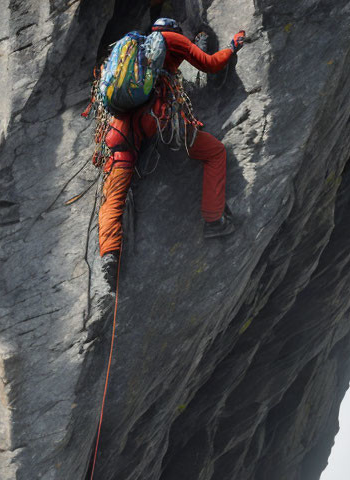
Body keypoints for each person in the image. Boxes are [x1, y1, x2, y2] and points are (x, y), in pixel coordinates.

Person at [97, 18, 246, 288]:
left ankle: (109, 252)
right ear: (174, 31)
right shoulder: (172, 39)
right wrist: (232, 47)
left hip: (119, 126)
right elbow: (209, 64)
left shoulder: (132, 49)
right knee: (214, 152)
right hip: (155, 118)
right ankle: (214, 221)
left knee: (115, 190)